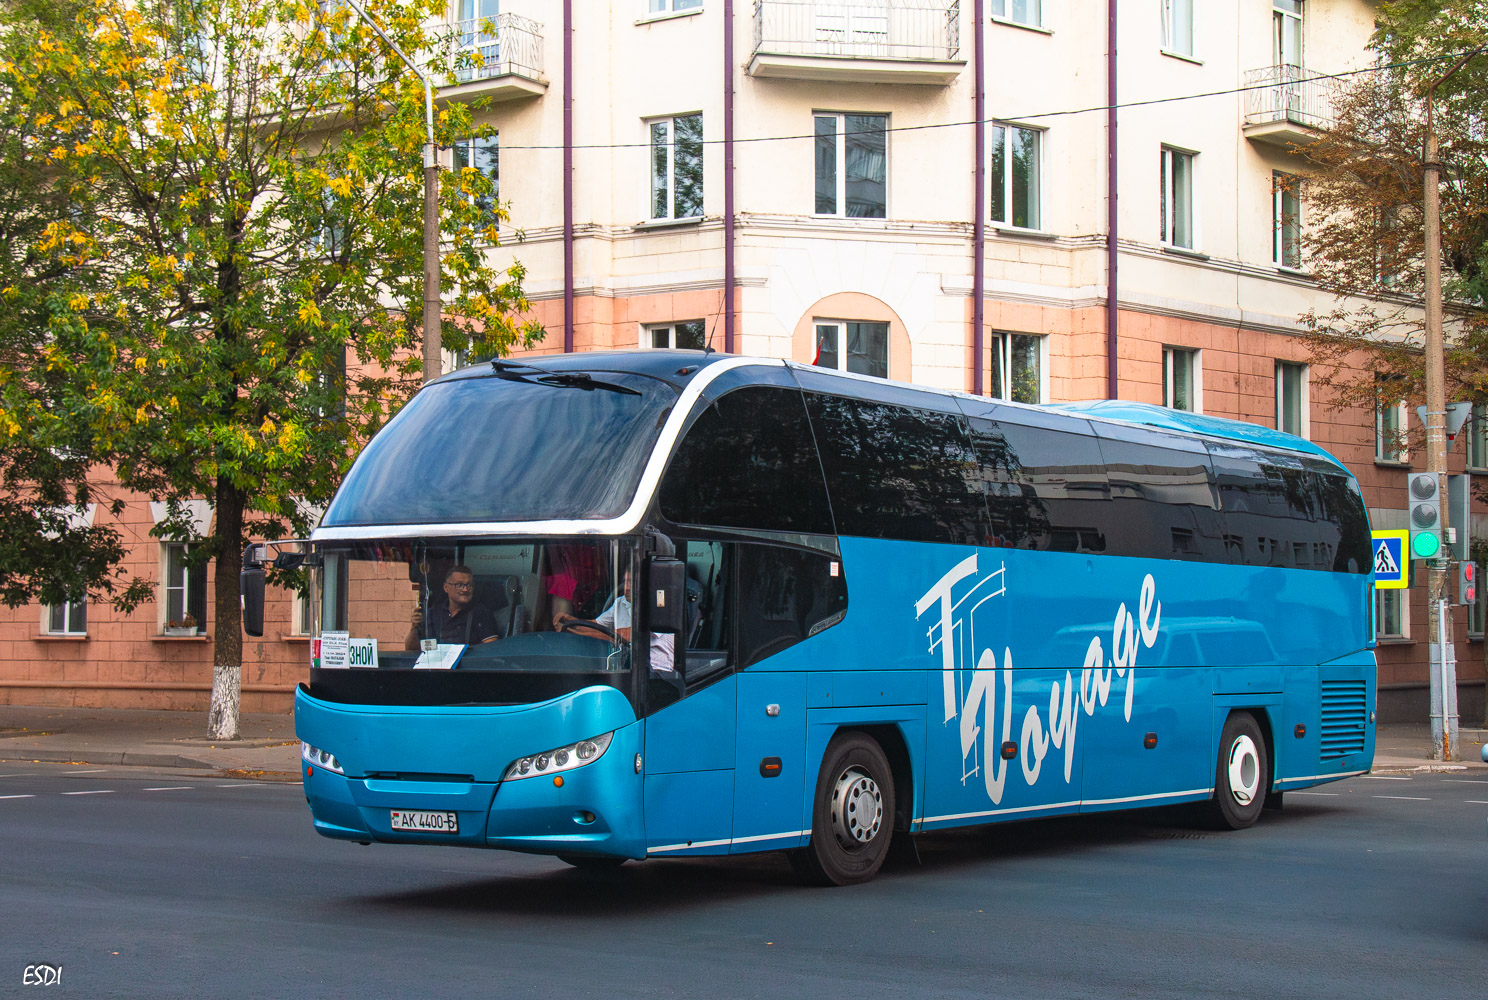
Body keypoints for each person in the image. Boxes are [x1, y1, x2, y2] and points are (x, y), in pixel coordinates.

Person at [554, 567, 675, 675]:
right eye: (625, 581)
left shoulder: (657, 606)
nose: (627, 588)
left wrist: (571, 632)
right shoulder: (620, 602)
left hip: (656, 673)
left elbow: (620, 636)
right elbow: (596, 625)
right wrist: (570, 621)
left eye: (632, 582)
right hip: (625, 666)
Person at [405, 565, 504, 649]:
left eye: (469, 585)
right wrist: (414, 626)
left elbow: (491, 651)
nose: (465, 589)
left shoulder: (481, 614)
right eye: (459, 585)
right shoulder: (433, 613)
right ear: (446, 588)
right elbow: (411, 649)